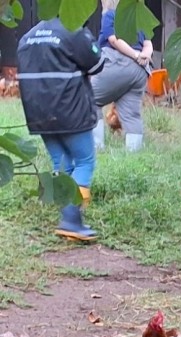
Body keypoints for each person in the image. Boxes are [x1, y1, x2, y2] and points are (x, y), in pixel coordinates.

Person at [17, 17, 105, 241]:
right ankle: (71, 220)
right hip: (70, 112)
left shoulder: (28, 36)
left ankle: (68, 218)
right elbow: (97, 63)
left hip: (38, 114)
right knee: (85, 161)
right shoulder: (72, 29)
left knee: (61, 162)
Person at [91, 0, 153, 152]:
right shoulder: (138, 20)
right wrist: (144, 55)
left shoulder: (110, 15)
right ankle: (134, 151)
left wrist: (135, 54)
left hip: (117, 64)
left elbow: (113, 40)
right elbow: (148, 43)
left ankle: (96, 147)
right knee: (131, 114)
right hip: (139, 71)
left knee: (88, 99)